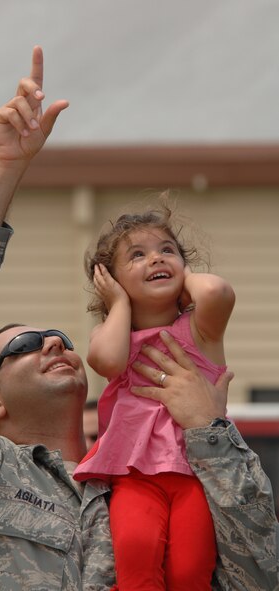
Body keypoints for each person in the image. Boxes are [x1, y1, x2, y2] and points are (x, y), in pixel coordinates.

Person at [0, 46, 278, 591]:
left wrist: (207, 431)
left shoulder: (163, 464)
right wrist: (7, 167)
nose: (53, 343)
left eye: (60, 337)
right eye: (25, 343)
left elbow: (260, 572)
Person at [73, 205, 235, 589]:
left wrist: (185, 275)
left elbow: (216, 290)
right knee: (137, 565)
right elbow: (108, 362)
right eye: (138, 255)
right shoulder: (112, 336)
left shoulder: (200, 330)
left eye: (167, 250)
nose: (156, 258)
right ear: (110, 280)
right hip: (134, 476)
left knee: (189, 572)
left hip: (196, 475)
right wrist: (120, 305)